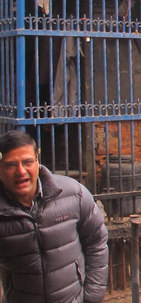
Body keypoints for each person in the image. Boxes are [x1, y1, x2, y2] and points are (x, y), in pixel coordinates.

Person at [0, 129, 109, 303]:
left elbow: (96, 243)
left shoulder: (74, 195)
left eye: (27, 162)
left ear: (37, 159)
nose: (21, 171)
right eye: (11, 165)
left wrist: (91, 297)